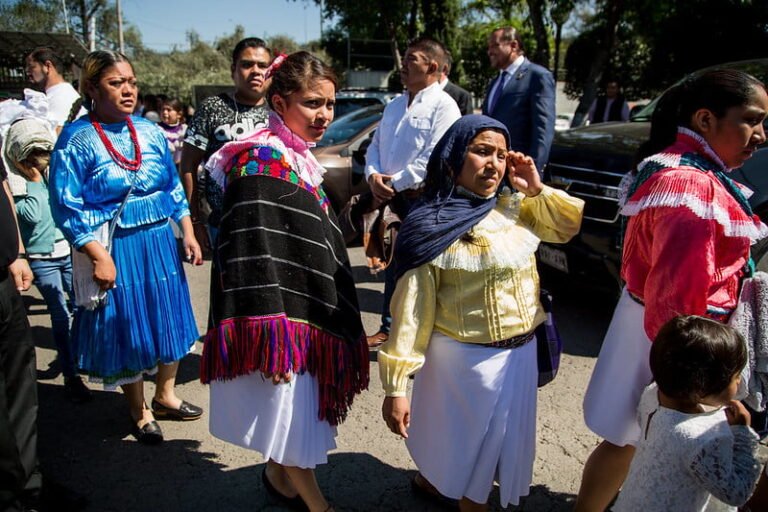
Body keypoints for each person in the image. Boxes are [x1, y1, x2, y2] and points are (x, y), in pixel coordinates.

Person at [576, 69, 768, 511]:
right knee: (643, 436)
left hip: (657, 329)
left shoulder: (684, 168)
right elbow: (677, 300)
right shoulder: (690, 186)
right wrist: (690, 379)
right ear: (705, 120)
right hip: (675, 338)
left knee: (627, 437)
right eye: (751, 120)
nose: (760, 134)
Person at [379, 115, 583, 512]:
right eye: (482, 151)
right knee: (471, 464)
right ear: (454, 158)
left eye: (502, 155)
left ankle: (437, 484)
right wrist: (396, 387)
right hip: (465, 368)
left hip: (519, 359)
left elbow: (565, 227)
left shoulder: (514, 208)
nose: (494, 164)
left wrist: (536, 188)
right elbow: (410, 315)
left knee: (490, 452)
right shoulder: (429, 226)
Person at [200, 51, 369, 512]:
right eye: (313, 103)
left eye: (330, 104)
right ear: (279, 102)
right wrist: (271, 335)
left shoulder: (299, 158)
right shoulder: (257, 162)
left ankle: (278, 479)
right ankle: (319, 506)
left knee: (297, 417)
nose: (325, 115)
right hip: (280, 319)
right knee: (292, 418)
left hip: (308, 314)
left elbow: (315, 236)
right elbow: (251, 253)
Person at [48, 50, 204, 445]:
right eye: (116, 83)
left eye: (131, 82)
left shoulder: (149, 131)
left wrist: (186, 230)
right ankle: (139, 409)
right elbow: (66, 206)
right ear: (92, 88)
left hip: (159, 243)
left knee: (169, 317)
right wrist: (98, 257)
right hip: (116, 249)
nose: (128, 90)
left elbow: (171, 185)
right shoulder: (76, 139)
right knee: (128, 324)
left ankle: (166, 394)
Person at [364, 36, 461, 347]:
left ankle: (421, 340)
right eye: (404, 58)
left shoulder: (444, 106)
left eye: (411, 59)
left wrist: (392, 184)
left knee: (421, 271)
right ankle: (389, 330)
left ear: (431, 66)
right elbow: (375, 148)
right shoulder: (393, 105)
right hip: (392, 200)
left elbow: (436, 157)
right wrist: (373, 177)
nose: (403, 65)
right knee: (392, 267)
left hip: (423, 201)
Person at [612, 316, 761, 511]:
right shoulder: (702, 439)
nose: (739, 382)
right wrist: (743, 433)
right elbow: (736, 492)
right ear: (701, 389)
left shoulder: (653, 394)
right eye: (735, 377)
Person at [4, 117, 92, 403]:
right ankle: (71, 375)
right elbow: (31, 214)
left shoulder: (53, 177)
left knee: (83, 307)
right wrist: (31, 181)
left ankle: (83, 361)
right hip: (42, 260)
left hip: (66, 253)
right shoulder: (19, 187)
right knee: (59, 315)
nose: (38, 165)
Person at [181, 37, 272, 250]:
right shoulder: (212, 108)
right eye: (247, 64)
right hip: (224, 225)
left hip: (271, 224)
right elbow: (188, 166)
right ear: (233, 70)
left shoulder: (280, 110)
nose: (256, 71)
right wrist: (195, 221)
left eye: (263, 65)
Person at [482, 26, 556, 172]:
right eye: (488, 47)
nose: (489, 51)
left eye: (494, 45)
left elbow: (543, 129)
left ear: (513, 45)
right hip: (493, 169)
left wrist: (534, 169)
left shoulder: (537, 76)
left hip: (519, 170)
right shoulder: (495, 82)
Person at [25, 47, 85, 131]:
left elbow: (58, 135)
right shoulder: (57, 94)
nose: (28, 72)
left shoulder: (62, 97)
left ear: (47, 66)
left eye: (32, 67)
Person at [158, 97, 187, 170]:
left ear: (179, 114)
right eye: (163, 109)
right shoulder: (156, 129)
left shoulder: (185, 130)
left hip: (181, 170)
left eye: (169, 110)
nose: (165, 112)